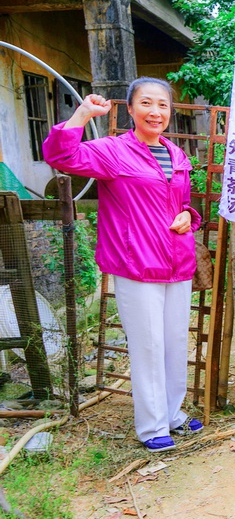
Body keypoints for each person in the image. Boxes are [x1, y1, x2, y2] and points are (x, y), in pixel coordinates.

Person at [42, 77, 204, 452]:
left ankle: (173, 414)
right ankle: (152, 427)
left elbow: (180, 204)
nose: (155, 112)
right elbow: (60, 156)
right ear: (130, 109)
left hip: (177, 263)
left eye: (162, 105)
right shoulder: (113, 151)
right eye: (146, 103)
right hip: (136, 265)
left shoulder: (176, 155)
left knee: (175, 343)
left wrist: (188, 216)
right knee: (148, 346)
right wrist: (83, 115)